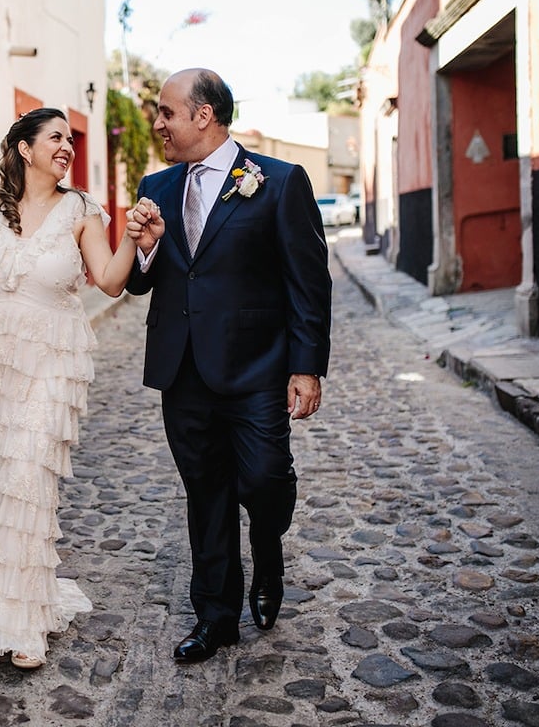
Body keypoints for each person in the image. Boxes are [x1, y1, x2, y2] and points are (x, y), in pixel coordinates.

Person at [125, 68, 331, 663]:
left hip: (257, 369)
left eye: (166, 112)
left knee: (263, 482)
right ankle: (215, 617)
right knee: (206, 493)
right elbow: (144, 282)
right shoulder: (155, 187)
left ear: (203, 115)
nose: (158, 123)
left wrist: (306, 365)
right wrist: (148, 248)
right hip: (182, 370)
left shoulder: (278, 182)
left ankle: (267, 547)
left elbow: (307, 283)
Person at [0, 108, 138, 670]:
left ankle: (21, 619)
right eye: (55, 138)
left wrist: (138, 239)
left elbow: (112, 280)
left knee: (28, 476)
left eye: (69, 140)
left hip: (50, 363)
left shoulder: (80, 211)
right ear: (25, 149)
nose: (67, 147)